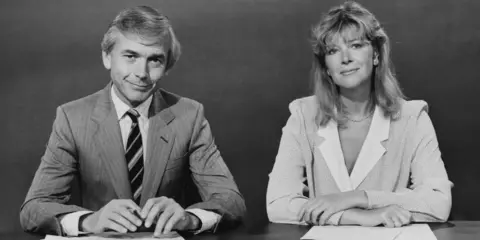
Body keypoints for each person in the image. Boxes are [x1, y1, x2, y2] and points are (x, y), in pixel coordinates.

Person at [20, 6, 246, 237]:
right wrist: (89, 221)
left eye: (155, 60)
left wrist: (189, 219)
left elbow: (231, 202)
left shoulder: (189, 115)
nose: (142, 73)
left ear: (167, 66)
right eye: (130, 56)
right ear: (107, 57)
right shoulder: (72, 118)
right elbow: (34, 208)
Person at [266, 1, 452, 228]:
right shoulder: (303, 115)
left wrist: (358, 198)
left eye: (355, 45)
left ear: (375, 54)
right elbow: (278, 203)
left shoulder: (412, 117)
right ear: (326, 67)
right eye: (333, 51)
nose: (345, 58)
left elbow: (438, 201)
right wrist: (357, 216)